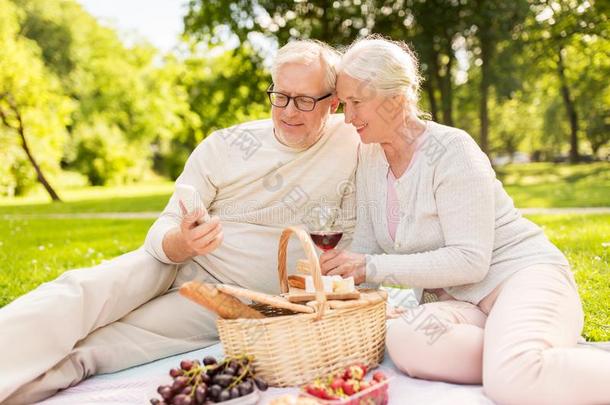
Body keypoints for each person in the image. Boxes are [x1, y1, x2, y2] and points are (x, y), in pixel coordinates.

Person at [0, 39, 360, 404]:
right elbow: (165, 225)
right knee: (80, 292)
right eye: (280, 96)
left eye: (304, 100)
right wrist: (182, 242)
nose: (288, 111)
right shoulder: (227, 145)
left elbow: (404, 125)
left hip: (227, 299)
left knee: (98, 350)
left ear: (334, 103)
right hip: (174, 261)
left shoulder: (354, 142)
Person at [320, 35, 610, 405]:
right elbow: (366, 246)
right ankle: (525, 353)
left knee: (513, 382)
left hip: (521, 277)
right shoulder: (371, 159)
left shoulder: (451, 150)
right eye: (345, 104)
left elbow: (470, 260)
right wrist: (334, 280)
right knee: (406, 338)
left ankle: (522, 360)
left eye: (356, 103)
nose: (348, 117)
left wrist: (369, 268)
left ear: (394, 100)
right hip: (465, 307)